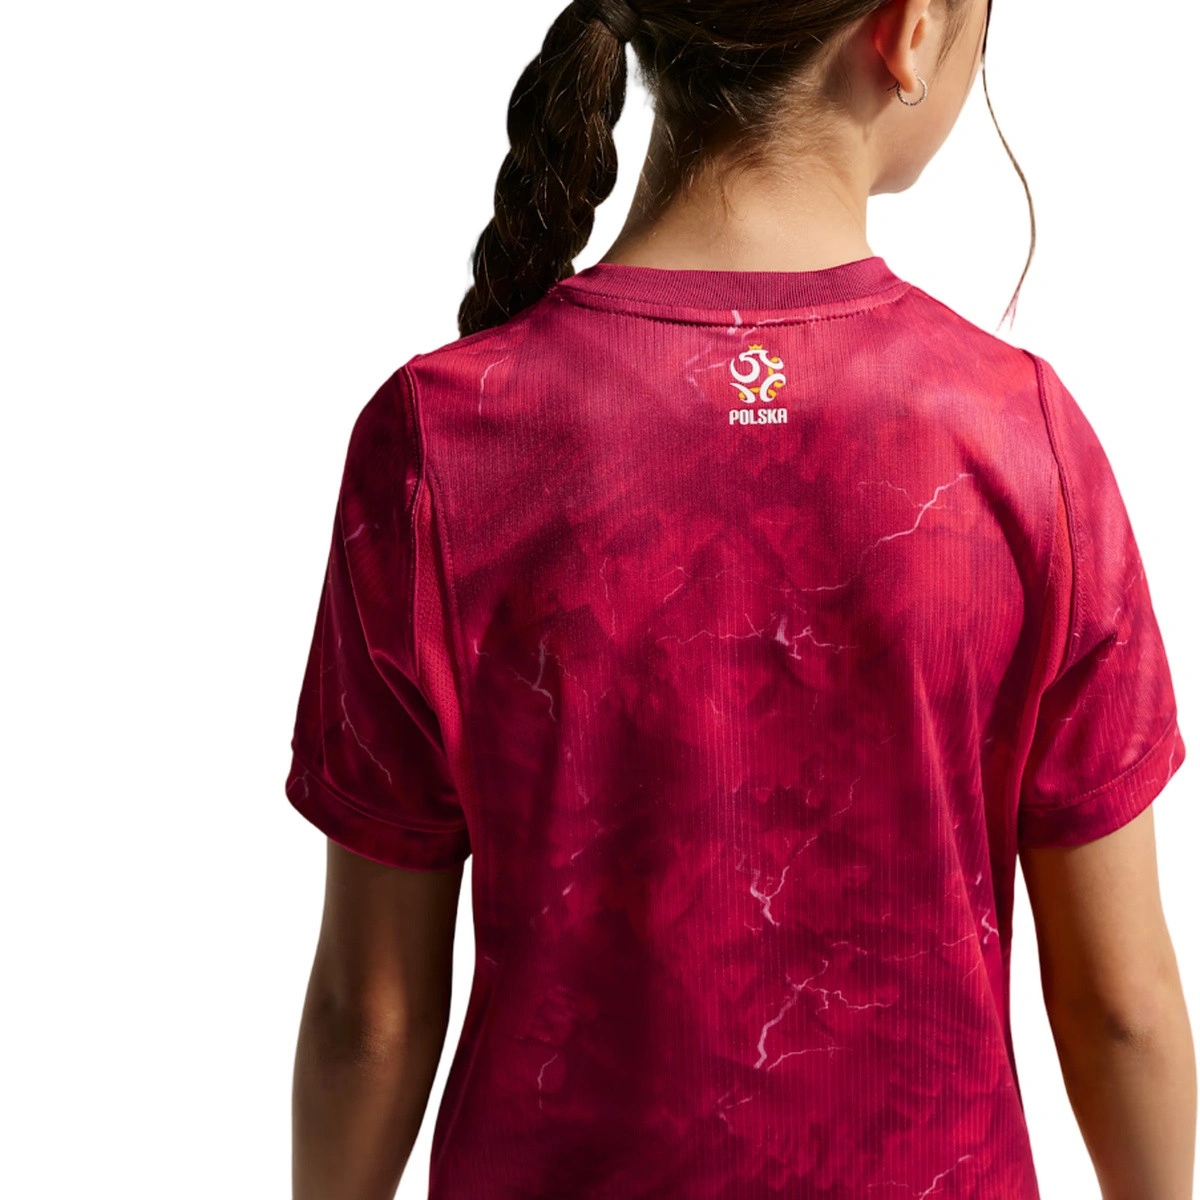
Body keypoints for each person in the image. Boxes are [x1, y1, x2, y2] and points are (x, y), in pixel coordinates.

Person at [283, 0, 1195, 1196]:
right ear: (909, 31)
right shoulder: (1020, 439)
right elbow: (1121, 1008)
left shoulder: (441, 439)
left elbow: (371, 1016)